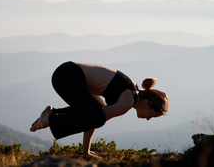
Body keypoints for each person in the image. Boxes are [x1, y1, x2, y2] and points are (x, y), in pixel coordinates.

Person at [30, 61, 169, 159]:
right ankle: (49, 119)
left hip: (67, 72)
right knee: (97, 117)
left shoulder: (132, 92)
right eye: (152, 115)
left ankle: (53, 113)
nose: (149, 119)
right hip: (67, 77)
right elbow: (95, 120)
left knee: (96, 111)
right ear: (148, 104)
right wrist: (87, 151)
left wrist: (86, 152)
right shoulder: (128, 101)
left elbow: (92, 117)